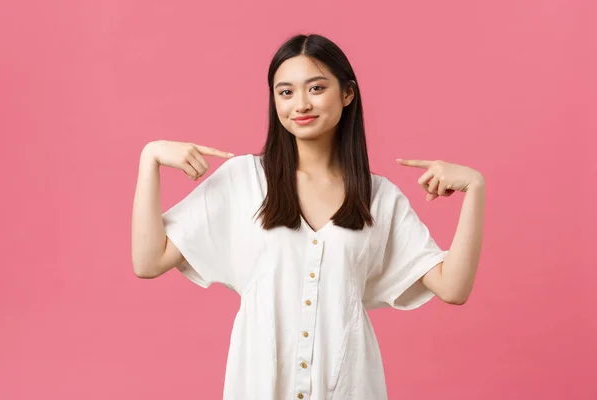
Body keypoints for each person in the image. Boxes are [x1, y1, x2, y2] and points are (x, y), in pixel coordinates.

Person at [131, 33, 485, 399]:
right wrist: (149, 160)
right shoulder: (244, 181)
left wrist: (475, 188)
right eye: (285, 92)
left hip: (350, 387)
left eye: (316, 88)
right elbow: (148, 260)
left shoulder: (378, 199)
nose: (300, 104)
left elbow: (452, 287)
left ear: (347, 94)